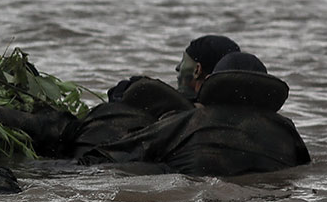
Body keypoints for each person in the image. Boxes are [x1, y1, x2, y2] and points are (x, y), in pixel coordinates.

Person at [101, 51, 310, 176]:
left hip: (201, 200)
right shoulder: (285, 129)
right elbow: (304, 169)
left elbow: (117, 153)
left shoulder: (192, 120)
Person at [177, 34, 241, 99]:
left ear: (197, 70)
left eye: (184, 60)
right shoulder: (245, 103)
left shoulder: (177, 107)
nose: (177, 68)